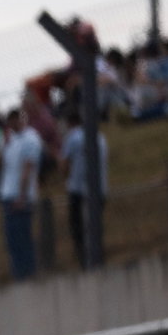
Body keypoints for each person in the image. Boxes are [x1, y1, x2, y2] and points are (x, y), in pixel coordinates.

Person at [59, 109, 108, 268]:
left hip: (79, 191)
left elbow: (64, 165)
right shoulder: (99, 136)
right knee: (95, 228)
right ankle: (98, 258)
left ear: (69, 123)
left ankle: (85, 262)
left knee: (79, 229)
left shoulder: (73, 137)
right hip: (100, 189)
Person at [0, 108, 42, 281]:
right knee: (12, 240)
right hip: (7, 194)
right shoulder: (7, 139)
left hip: (22, 196)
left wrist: (22, 197)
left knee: (23, 237)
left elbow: (28, 169)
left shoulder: (31, 139)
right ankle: (19, 274)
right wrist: (3, 146)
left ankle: (28, 274)